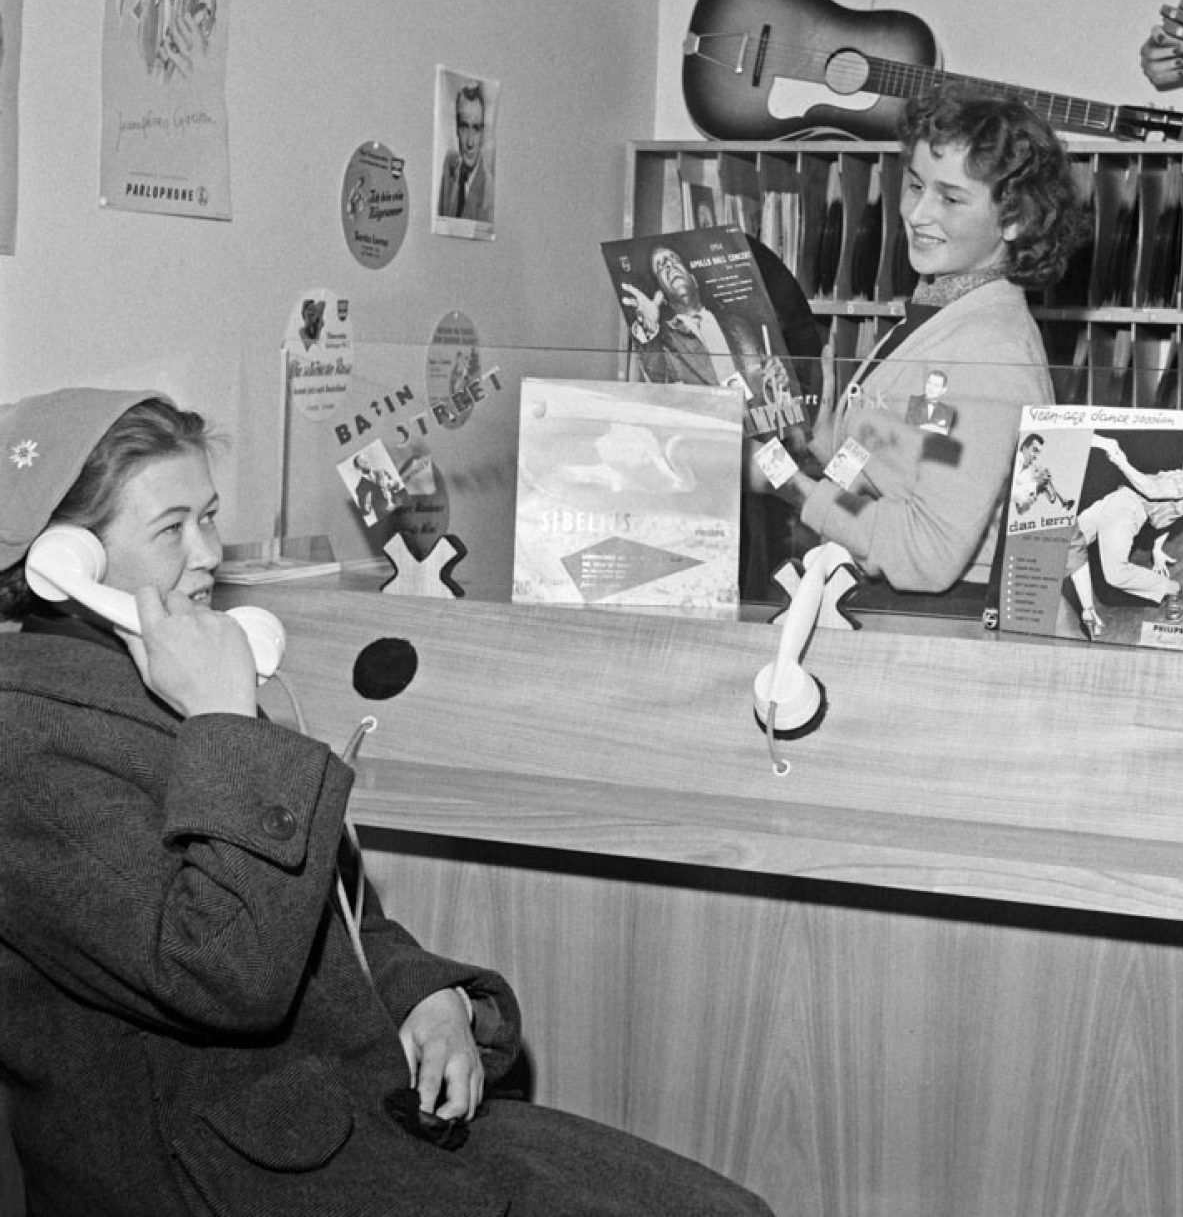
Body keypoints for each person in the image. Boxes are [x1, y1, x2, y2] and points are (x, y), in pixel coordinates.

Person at [0, 387, 774, 1217]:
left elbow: (329, 911)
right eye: (171, 527)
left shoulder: (168, 672)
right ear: (62, 567)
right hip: (222, 1182)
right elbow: (227, 973)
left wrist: (425, 995)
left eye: (211, 516)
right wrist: (225, 721)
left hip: (335, 1124)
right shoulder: (31, 748)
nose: (208, 554)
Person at [769, 88, 1082, 595]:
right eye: (915, 185)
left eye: (951, 198)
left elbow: (928, 552)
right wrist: (820, 446)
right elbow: (911, 457)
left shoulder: (986, 353)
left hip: (938, 623)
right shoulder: (940, 306)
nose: (917, 214)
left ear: (1015, 218)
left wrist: (792, 486)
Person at [1064, 432, 1183, 638]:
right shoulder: (1182, 479)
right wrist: (1157, 549)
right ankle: (1087, 610)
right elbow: (1167, 519)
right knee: (1064, 544)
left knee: (1114, 573)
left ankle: (1172, 589)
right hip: (1115, 501)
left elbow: (1153, 491)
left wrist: (1122, 463)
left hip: (1125, 508)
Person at [622, 244, 788, 405]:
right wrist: (650, 328)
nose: (669, 264)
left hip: (753, 427)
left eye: (674, 259)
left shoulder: (739, 325)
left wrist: (777, 376)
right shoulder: (663, 339)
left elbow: (763, 377)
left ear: (694, 280)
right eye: (660, 266)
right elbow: (658, 383)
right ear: (662, 295)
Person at [438, 79, 494, 222]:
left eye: (475, 128)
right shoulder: (450, 164)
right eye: (464, 127)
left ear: (482, 133)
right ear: (456, 128)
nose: (469, 142)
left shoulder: (489, 192)